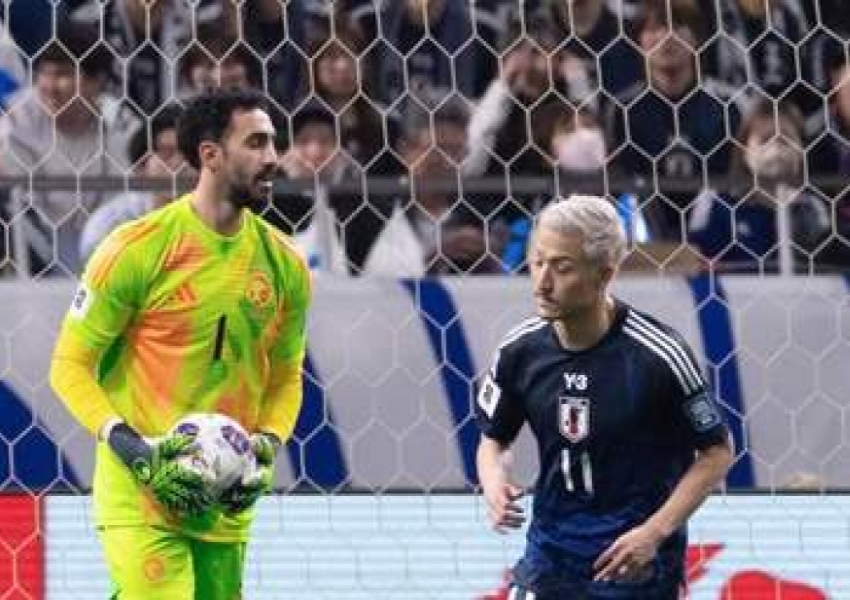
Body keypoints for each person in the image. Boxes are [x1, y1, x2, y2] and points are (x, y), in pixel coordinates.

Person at [49, 88, 311, 599]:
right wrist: (134, 449)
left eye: (273, 143)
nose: (273, 158)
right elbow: (69, 365)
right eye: (256, 143)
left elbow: (286, 376)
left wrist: (266, 447)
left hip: (223, 502)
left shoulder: (287, 266)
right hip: (141, 497)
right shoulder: (135, 249)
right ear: (210, 155)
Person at [475, 195, 733, 598]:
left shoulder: (657, 356)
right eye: (538, 261)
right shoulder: (519, 351)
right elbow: (493, 439)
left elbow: (717, 453)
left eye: (562, 267)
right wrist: (493, 481)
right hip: (551, 557)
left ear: (604, 275)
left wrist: (654, 532)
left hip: (635, 566)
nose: (542, 281)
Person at [79, 104, 188, 263]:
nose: (179, 164)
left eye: (189, 154)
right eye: (167, 153)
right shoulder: (114, 223)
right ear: (141, 165)